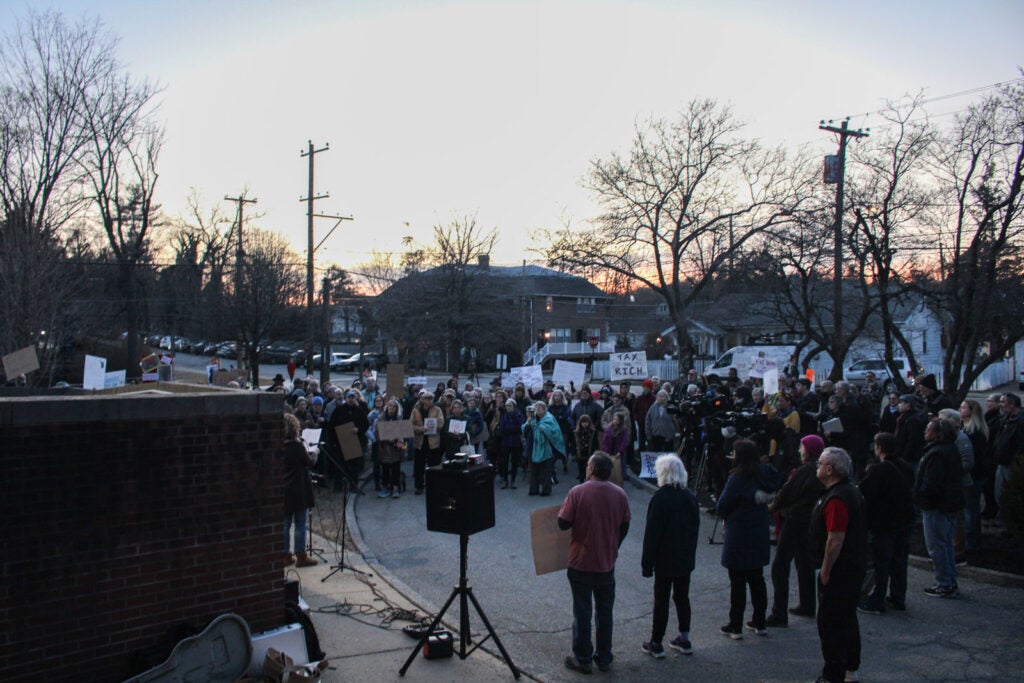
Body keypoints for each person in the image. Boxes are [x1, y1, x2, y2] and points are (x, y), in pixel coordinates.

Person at [558, 452, 631, 675]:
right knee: (605, 612)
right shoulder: (620, 494)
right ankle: (604, 657)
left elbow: (563, 523)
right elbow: (625, 524)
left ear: (590, 469)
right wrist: (613, 544)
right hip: (606, 562)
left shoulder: (578, 492)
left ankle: (583, 658)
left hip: (580, 561)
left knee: (582, 612)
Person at [810, 447, 867, 683]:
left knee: (831, 622)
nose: (817, 467)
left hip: (841, 570)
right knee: (846, 618)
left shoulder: (837, 499)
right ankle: (850, 668)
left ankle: (833, 672)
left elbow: (835, 537)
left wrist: (825, 569)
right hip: (852, 566)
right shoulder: (849, 491)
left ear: (830, 469)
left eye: (820, 463)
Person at [715, 438, 779, 639]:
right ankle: (760, 622)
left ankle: (735, 626)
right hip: (758, 530)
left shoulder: (737, 478)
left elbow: (722, 506)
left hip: (739, 532)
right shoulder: (766, 474)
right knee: (757, 578)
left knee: (738, 582)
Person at [640, 455, 700, 658]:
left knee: (662, 600)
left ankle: (656, 641)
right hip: (684, 557)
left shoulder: (661, 498)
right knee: (682, 597)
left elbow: (652, 534)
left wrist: (646, 564)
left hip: (665, 558)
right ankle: (684, 637)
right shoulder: (689, 497)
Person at [765, 434, 826, 627]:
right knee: (804, 562)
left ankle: (779, 612)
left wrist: (772, 506)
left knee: (780, 565)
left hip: (795, 519)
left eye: (802, 447)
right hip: (810, 520)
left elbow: (787, 492)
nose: (799, 450)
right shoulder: (818, 470)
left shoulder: (804, 471)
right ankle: (807, 604)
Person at [857, 432, 915, 615]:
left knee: (881, 562)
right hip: (904, 519)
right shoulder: (905, 466)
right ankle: (898, 598)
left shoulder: (878, 470)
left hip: (884, 522)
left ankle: (877, 600)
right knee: (899, 561)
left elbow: (865, 492)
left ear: (879, 448)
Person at [915, 417, 964, 597]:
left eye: (928, 429)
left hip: (937, 506)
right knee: (946, 544)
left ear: (937, 433)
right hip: (949, 504)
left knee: (937, 546)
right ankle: (950, 580)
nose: (925, 432)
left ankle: (944, 583)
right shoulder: (950, 449)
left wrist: (922, 496)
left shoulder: (936, 454)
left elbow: (932, 483)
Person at [282, 413, 318, 567]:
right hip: (299, 488)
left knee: (284, 524)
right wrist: (315, 453)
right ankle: (301, 555)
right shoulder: (296, 446)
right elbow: (309, 463)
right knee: (300, 523)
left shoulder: (278, 445)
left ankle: (284, 555)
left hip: (283, 488)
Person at [960, 399, 990, 553]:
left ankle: (972, 541)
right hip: (974, 473)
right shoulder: (965, 428)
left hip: (974, 474)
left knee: (971, 509)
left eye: (964, 407)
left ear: (972, 411)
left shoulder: (974, 431)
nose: (961, 410)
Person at [523, 401, 564, 496]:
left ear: (544, 409)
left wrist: (544, 429)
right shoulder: (532, 418)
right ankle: (533, 489)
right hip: (534, 448)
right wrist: (528, 423)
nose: (537, 409)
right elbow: (525, 429)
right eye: (536, 408)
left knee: (545, 471)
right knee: (534, 470)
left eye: (540, 408)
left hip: (546, 448)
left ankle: (546, 490)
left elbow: (554, 431)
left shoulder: (549, 418)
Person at [410, 390, 445, 495]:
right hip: (420, 441)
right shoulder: (416, 410)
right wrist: (421, 429)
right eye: (427, 398)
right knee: (418, 466)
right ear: (422, 399)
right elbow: (410, 425)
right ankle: (419, 486)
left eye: (431, 398)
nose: (429, 400)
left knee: (433, 465)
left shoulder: (437, 410)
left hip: (433, 442)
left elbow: (441, 423)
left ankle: (433, 486)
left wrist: (432, 426)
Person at [376, 399, 405, 498]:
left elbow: (403, 432)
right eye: (390, 405)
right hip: (385, 448)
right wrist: (389, 439)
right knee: (385, 469)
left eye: (394, 406)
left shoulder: (399, 418)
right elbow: (378, 433)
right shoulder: (381, 418)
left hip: (396, 449)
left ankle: (396, 488)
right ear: (387, 407)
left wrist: (399, 441)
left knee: (396, 469)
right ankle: (385, 488)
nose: (392, 408)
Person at [497, 398, 525, 489]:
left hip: (516, 442)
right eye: (507, 406)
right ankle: (505, 480)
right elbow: (502, 428)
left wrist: (510, 428)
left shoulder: (519, 415)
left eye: (510, 405)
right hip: (506, 442)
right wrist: (512, 429)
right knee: (504, 462)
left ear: (514, 406)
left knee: (514, 462)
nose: (508, 407)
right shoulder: (504, 416)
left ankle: (513, 480)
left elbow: (520, 427)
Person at [573, 414, 600, 484]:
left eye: (586, 422)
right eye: (583, 422)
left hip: (589, 453)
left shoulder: (593, 432)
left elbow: (596, 443)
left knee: (589, 470)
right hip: (580, 453)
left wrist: (596, 453)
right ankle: (581, 483)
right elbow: (574, 444)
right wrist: (574, 453)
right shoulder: (577, 433)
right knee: (581, 470)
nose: (584, 424)